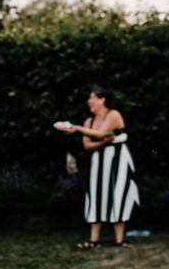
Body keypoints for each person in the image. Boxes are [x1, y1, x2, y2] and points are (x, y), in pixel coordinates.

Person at [58, 87, 140, 248]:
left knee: (118, 194)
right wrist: (103, 142)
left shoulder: (113, 114)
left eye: (92, 97)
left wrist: (77, 129)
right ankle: (94, 240)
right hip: (98, 160)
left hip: (118, 159)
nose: (89, 101)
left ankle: (119, 240)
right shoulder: (89, 122)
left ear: (102, 100)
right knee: (96, 195)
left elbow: (101, 133)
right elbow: (88, 146)